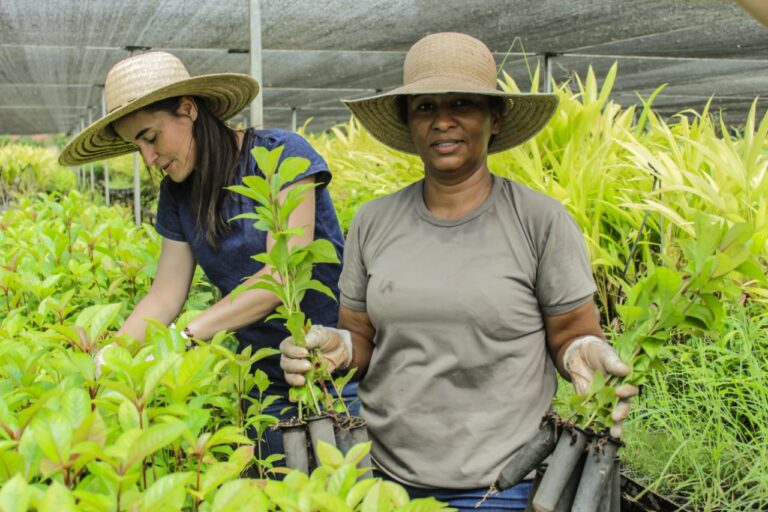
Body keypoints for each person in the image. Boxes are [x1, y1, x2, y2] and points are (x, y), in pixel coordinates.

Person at [279, 32, 638, 510]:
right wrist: (336, 348)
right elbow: (361, 337)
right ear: (409, 122)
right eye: (424, 107)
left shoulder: (539, 221)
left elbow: (572, 332)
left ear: (494, 118)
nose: (442, 121)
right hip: (381, 478)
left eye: (462, 104)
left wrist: (584, 352)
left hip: (504, 484)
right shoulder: (374, 220)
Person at [58, 51, 357, 455]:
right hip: (261, 384)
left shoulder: (281, 157)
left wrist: (187, 335)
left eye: (150, 137)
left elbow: (279, 276)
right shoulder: (177, 194)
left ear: (187, 109)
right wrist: (111, 357)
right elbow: (164, 293)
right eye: (136, 146)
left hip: (333, 369)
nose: (148, 158)